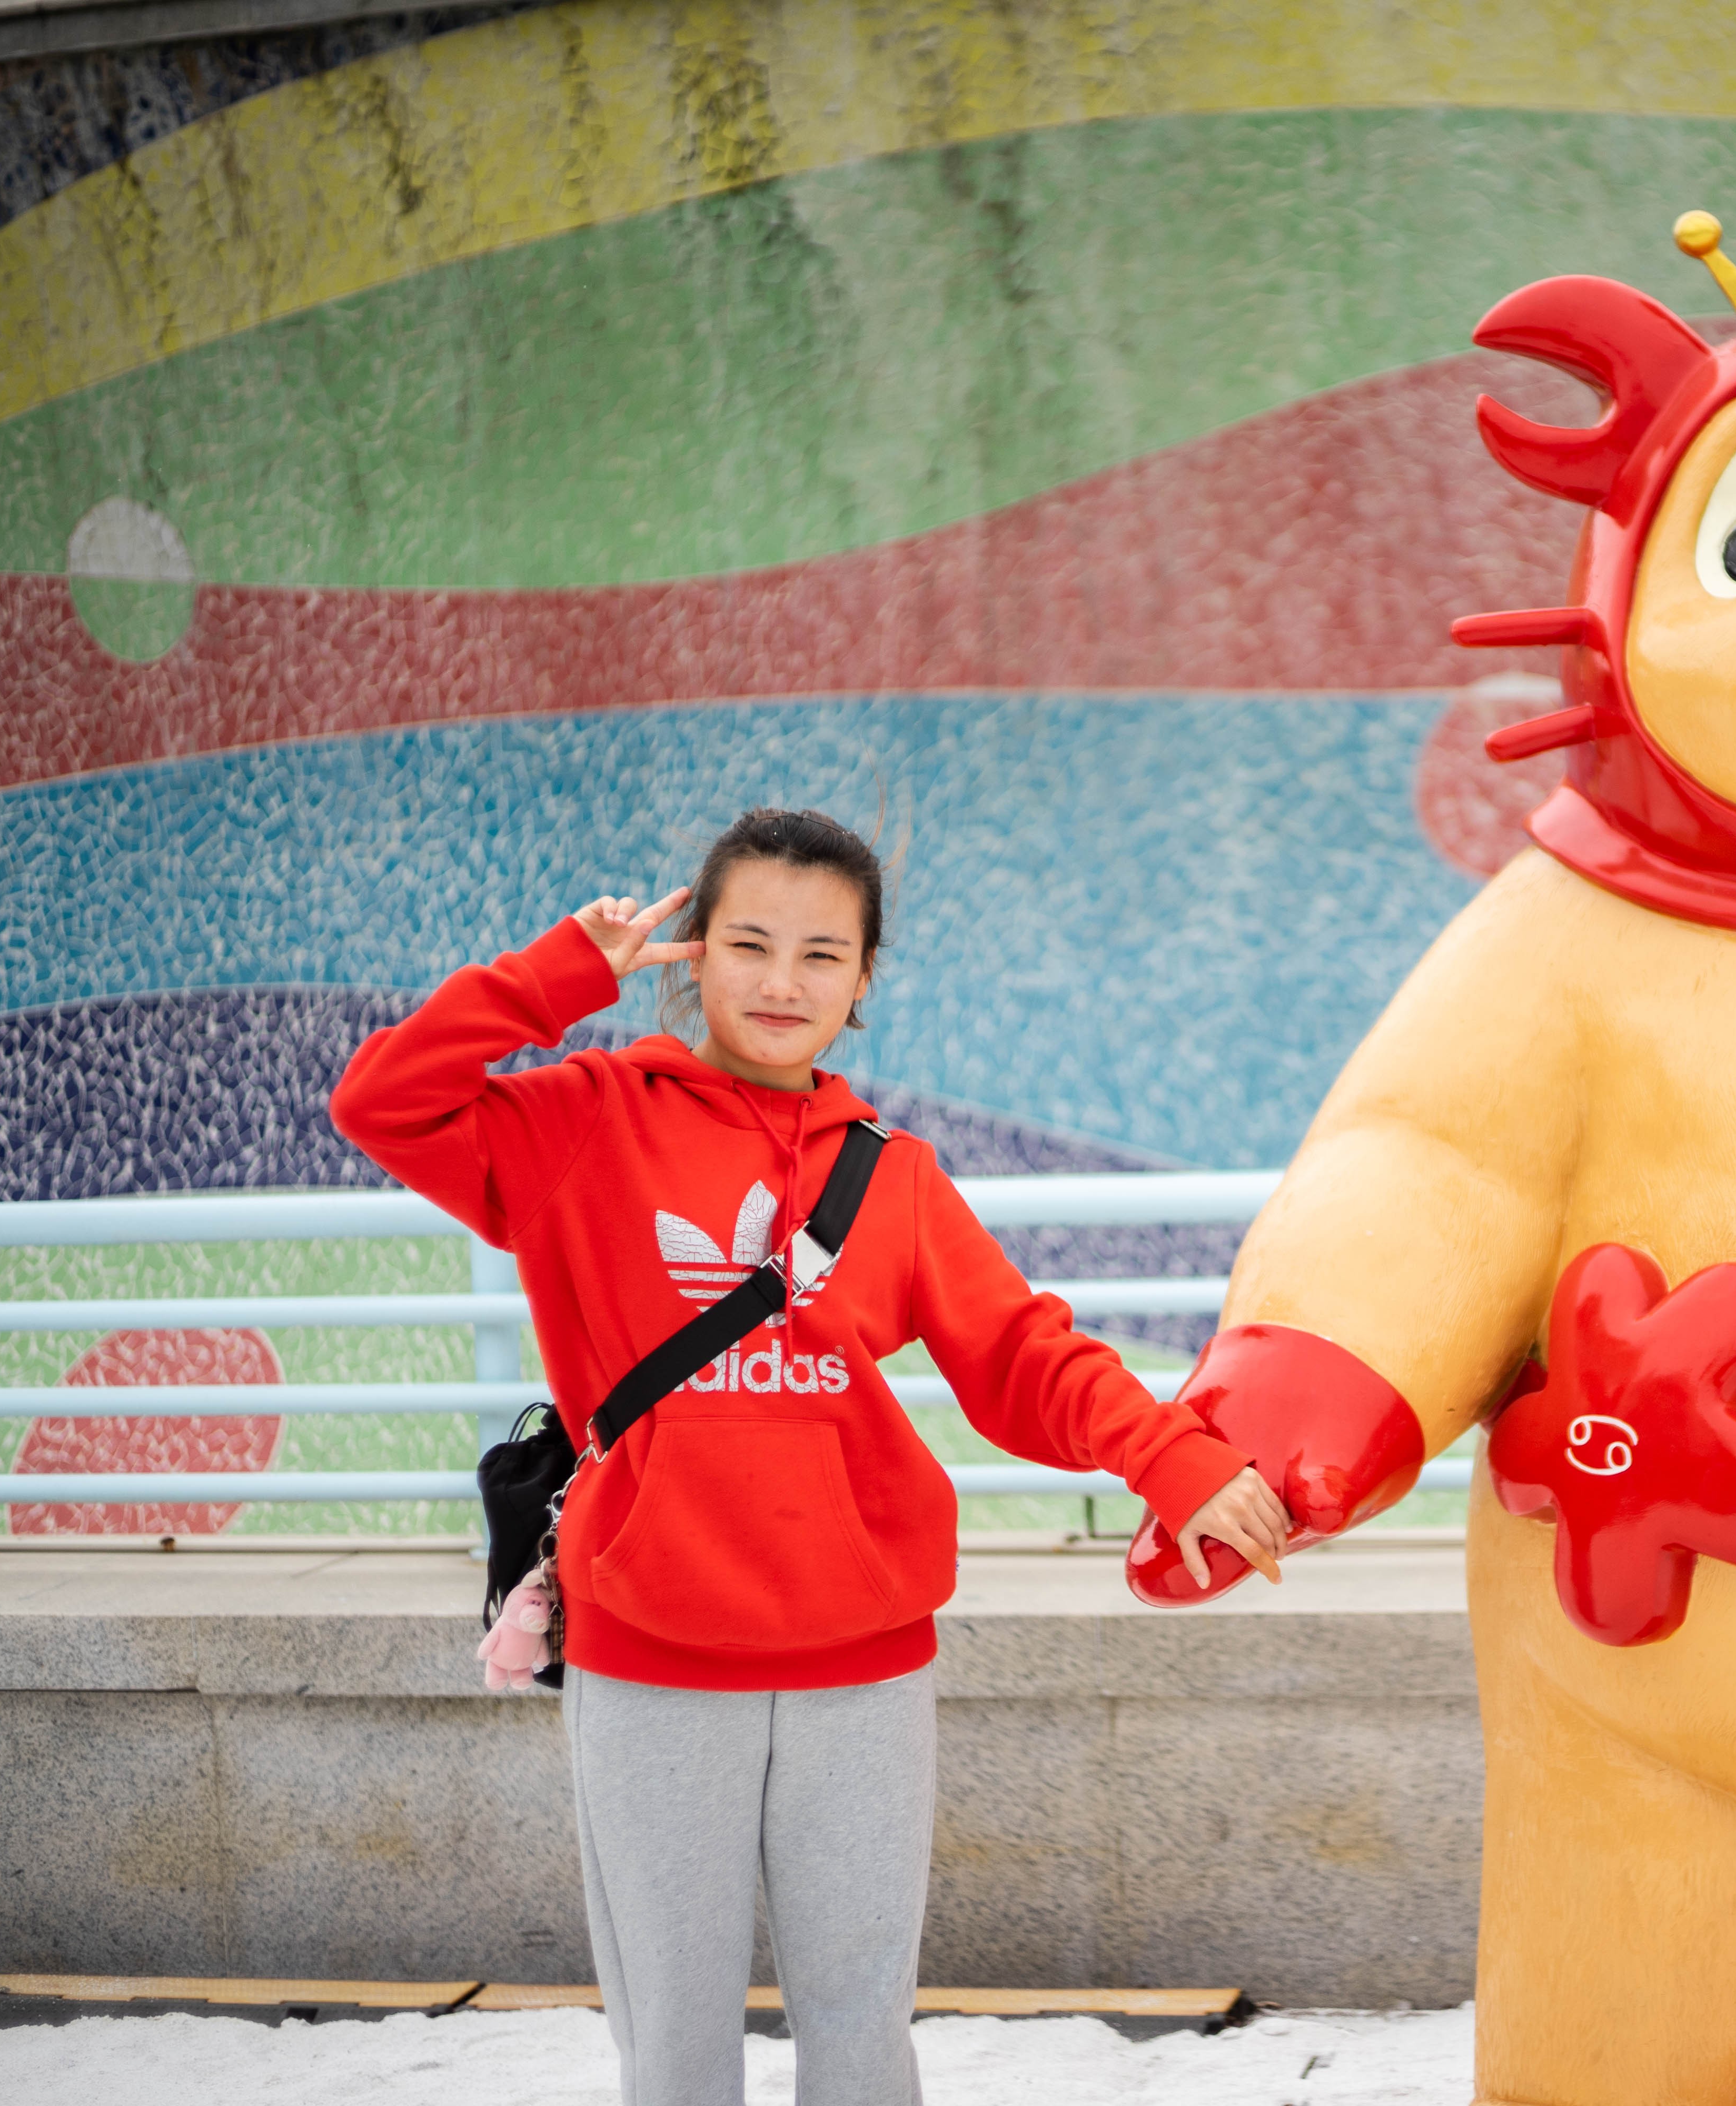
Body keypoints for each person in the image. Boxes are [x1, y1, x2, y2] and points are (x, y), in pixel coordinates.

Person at [331, 806, 1291, 2106]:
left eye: (823, 955)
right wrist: (561, 973)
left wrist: (1174, 1462)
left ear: (865, 980)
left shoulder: (890, 1174)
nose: (783, 982)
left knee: (860, 2034)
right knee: (674, 2041)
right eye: (750, 943)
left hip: (862, 1661)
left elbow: (1021, 1353)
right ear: (694, 954)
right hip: (654, 1652)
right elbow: (381, 1099)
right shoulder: (585, 1122)